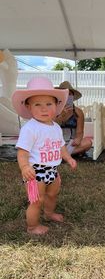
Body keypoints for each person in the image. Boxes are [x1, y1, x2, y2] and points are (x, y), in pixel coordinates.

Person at [11, 77, 77, 235]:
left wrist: (68, 158)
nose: (44, 109)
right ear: (28, 107)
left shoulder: (55, 127)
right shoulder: (30, 129)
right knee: (36, 200)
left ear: (56, 105)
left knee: (52, 194)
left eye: (49, 104)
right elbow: (22, 151)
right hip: (35, 173)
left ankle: (49, 213)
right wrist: (25, 167)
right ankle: (32, 227)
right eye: (37, 104)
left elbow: (60, 146)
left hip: (53, 170)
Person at [54, 81, 92, 156]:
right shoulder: (54, 110)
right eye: (64, 94)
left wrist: (78, 139)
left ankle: (60, 155)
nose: (67, 96)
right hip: (56, 143)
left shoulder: (78, 112)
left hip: (71, 143)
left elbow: (80, 132)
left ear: (73, 96)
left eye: (69, 94)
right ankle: (66, 154)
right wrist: (61, 116)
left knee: (88, 143)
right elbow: (49, 127)